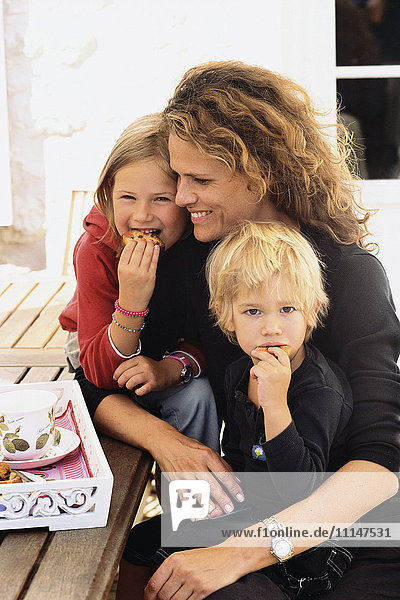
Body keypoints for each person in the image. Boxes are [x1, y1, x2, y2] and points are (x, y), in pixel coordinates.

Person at [80, 61, 400, 599]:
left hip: (355, 523)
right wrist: (171, 444)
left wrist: (239, 552)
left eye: (200, 180)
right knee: (115, 551)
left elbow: (381, 463)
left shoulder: (348, 274)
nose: (181, 197)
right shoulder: (189, 266)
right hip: (250, 497)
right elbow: (96, 386)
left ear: (263, 172)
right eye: (178, 177)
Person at [118, 220, 354, 599]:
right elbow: (242, 456)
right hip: (251, 508)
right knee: (142, 541)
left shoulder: (318, 390)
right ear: (225, 316)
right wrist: (205, 506)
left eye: (287, 308)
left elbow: (304, 492)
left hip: (306, 543)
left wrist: (276, 406)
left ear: (312, 311)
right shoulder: (237, 373)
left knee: (214, 585)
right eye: (252, 312)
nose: (272, 327)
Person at [58, 113, 219, 451]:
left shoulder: (204, 243)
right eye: (127, 198)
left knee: (198, 396)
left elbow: (215, 339)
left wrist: (171, 368)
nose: (142, 215)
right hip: (98, 335)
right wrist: (131, 301)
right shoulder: (96, 249)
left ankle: (196, 503)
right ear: (107, 195)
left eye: (161, 198)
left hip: (174, 340)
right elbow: (100, 376)